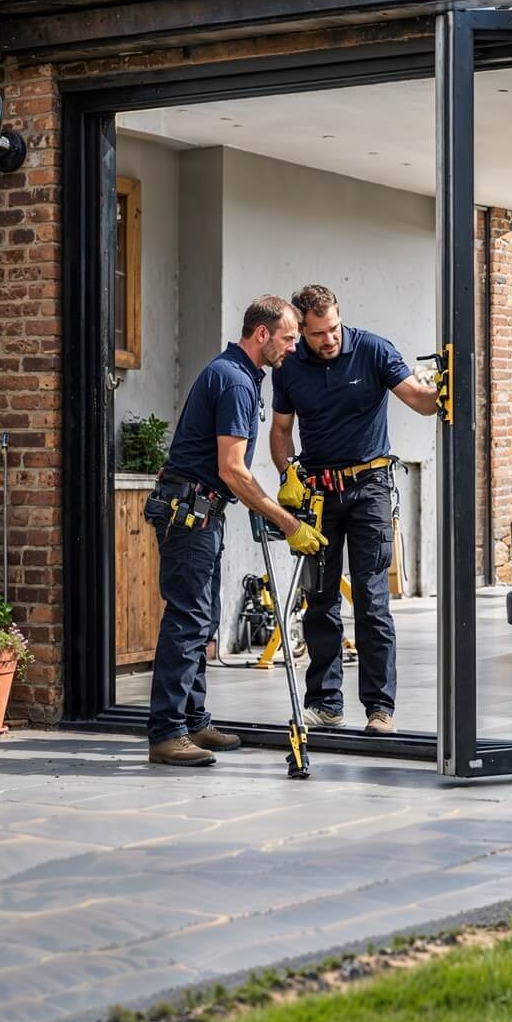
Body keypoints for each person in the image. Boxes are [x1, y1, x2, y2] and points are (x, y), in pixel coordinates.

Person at [145, 296, 326, 767]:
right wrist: (287, 523)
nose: (293, 347)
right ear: (261, 334)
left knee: (202, 619)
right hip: (191, 511)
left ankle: (194, 722)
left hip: (203, 511)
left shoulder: (241, 376)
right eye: (288, 337)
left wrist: (282, 485)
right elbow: (232, 469)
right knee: (186, 620)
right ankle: (167, 733)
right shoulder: (234, 380)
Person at [269, 285, 439, 735]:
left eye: (335, 328)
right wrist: (288, 475)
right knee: (320, 602)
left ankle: (380, 709)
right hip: (319, 495)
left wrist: (442, 389)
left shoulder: (373, 350)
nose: (330, 339)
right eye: (319, 333)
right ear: (301, 330)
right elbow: (282, 431)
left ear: (341, 317)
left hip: (370, 488)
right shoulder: (288, 369)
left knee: (371, 599)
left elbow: (418, 401)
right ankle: (325, 704)